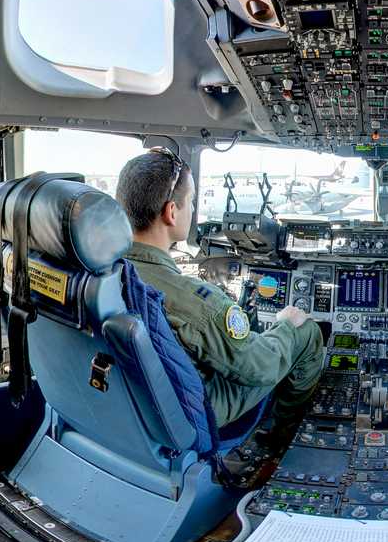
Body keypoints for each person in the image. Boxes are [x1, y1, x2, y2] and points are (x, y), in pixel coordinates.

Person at [115, 148, 324, 430]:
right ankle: (281, 432)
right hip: (192, 409)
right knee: (305, 333)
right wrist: (285, 325)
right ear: (171, 212)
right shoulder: (196, 302)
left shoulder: (101, 271)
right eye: (190, 201)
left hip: (128, 397)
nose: (191, 209)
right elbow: (262, 366)